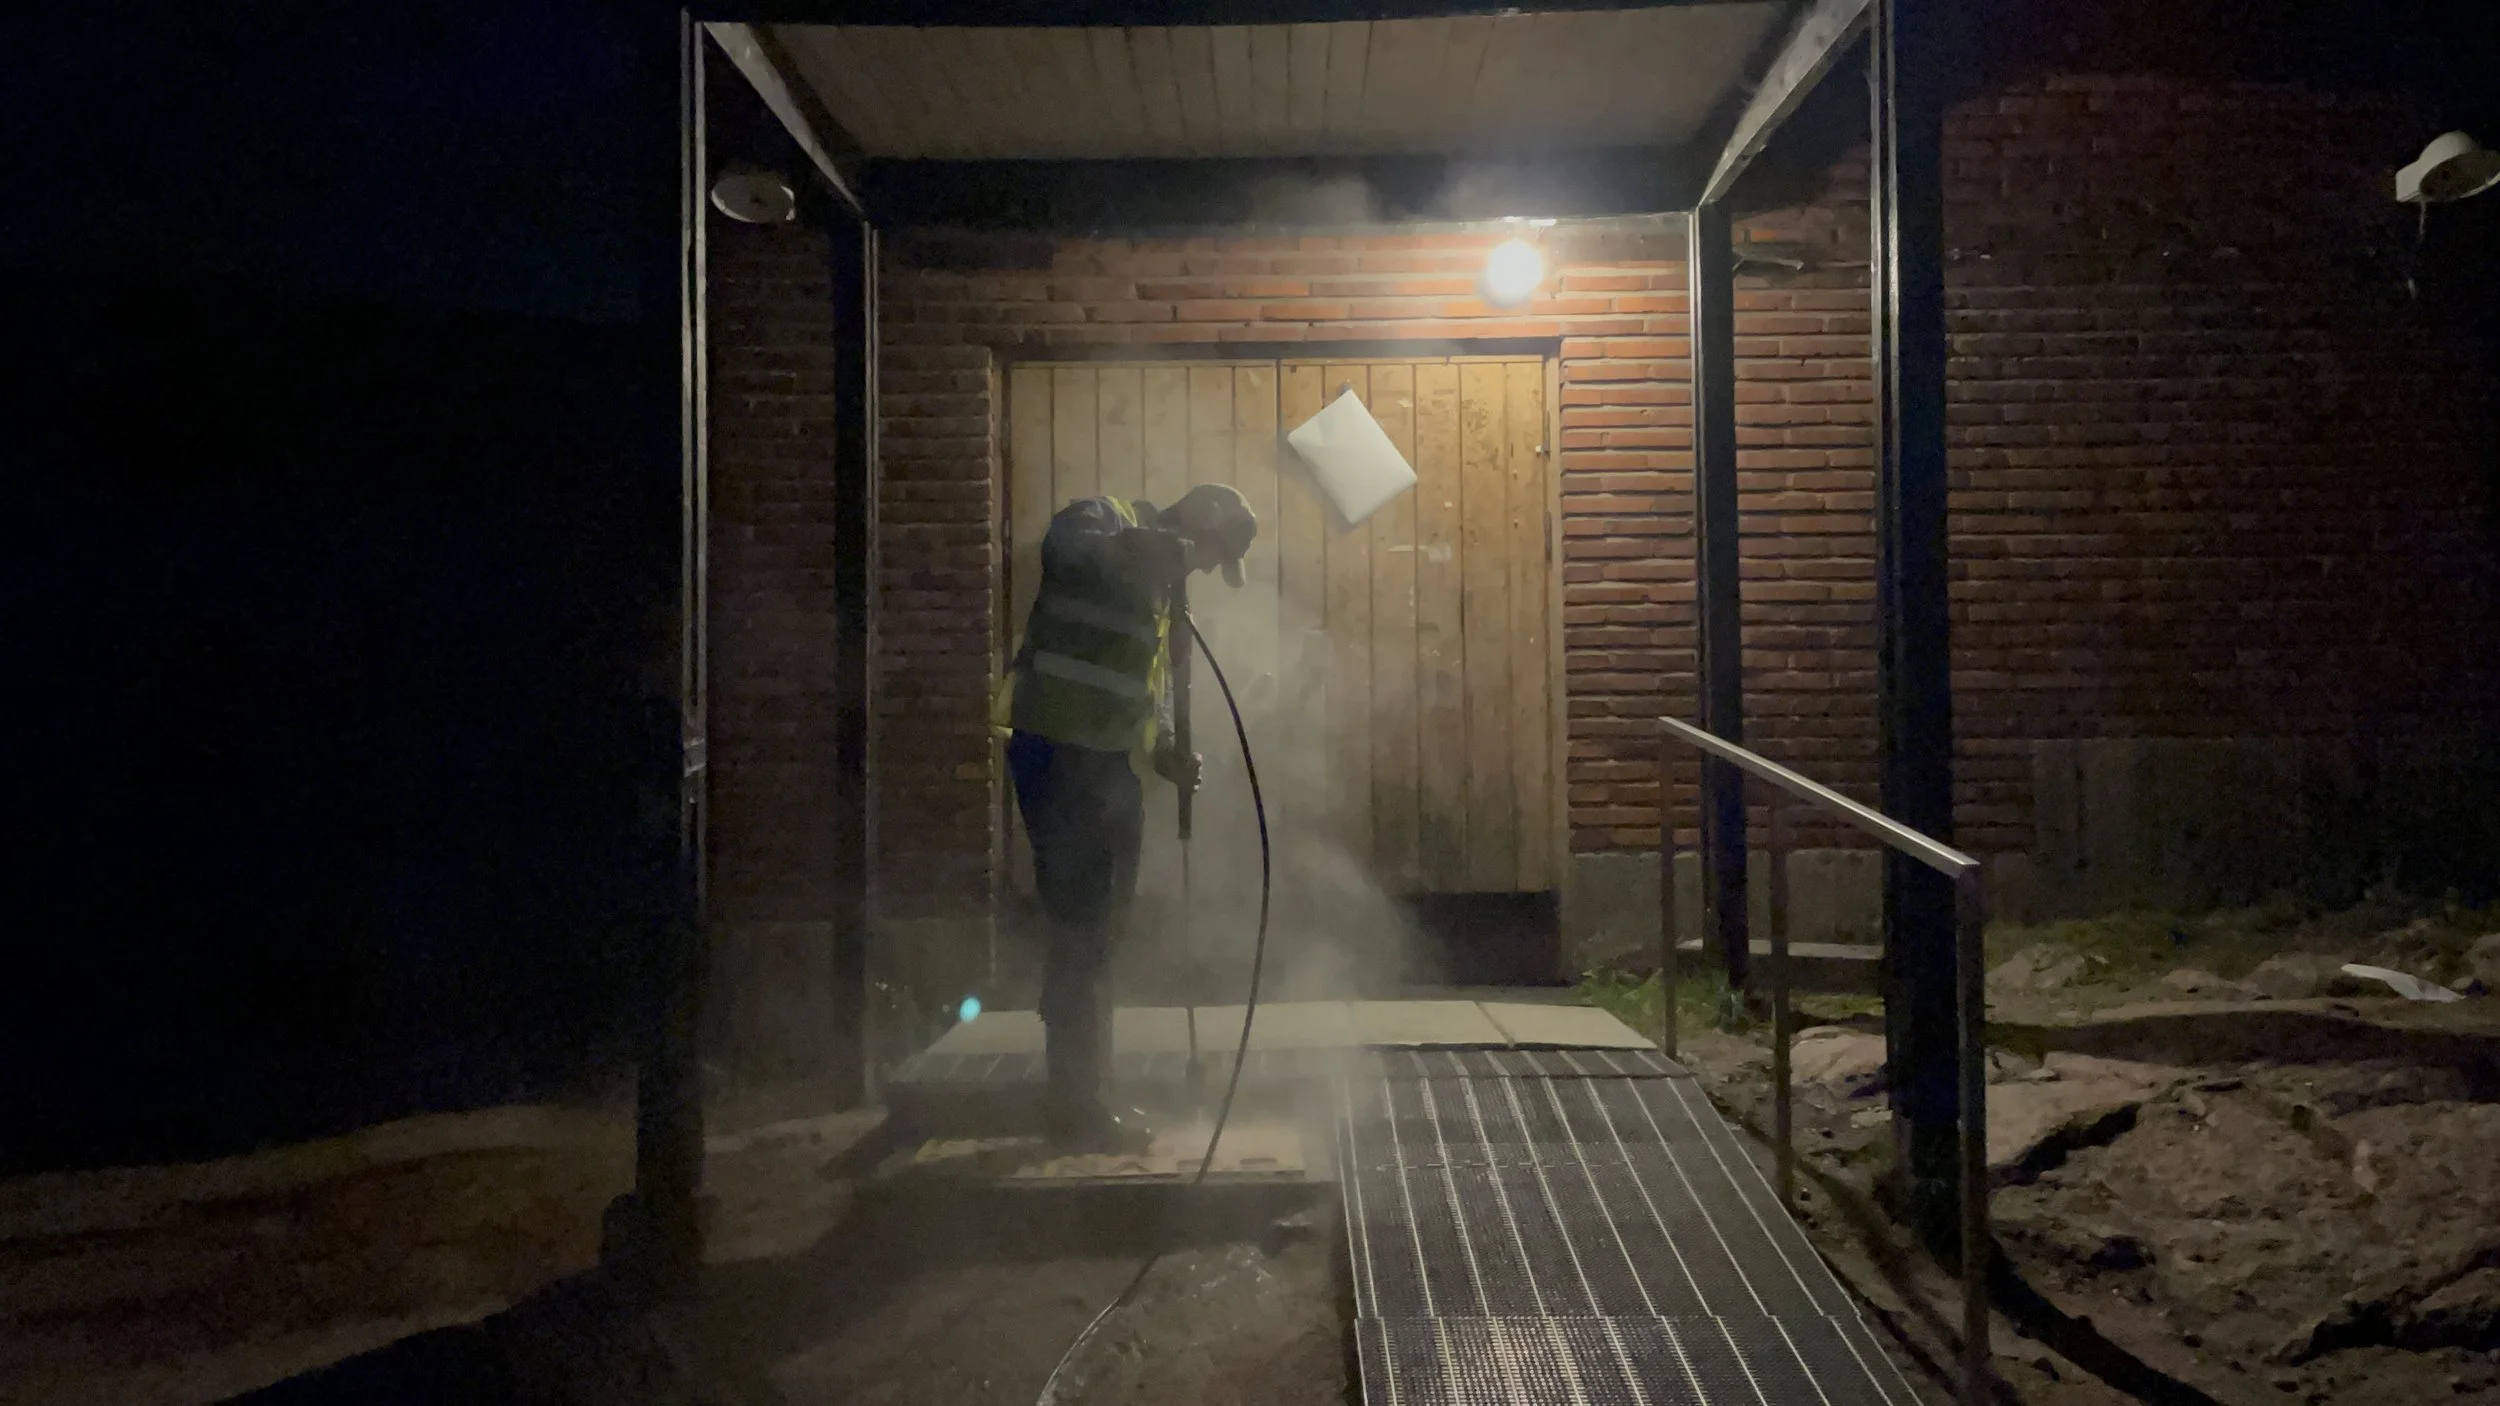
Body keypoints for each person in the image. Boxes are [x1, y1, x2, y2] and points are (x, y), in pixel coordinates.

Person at [993, 482, 1258, 1151]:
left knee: (1106, 926)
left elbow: (1149, 692)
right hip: (1055, 750)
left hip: (1106, 763)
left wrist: (1168, 751)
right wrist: (1144, 550)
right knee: (1082, 925)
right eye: (1209, 553)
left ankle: (1088, 1091)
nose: (1201, 568)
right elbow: (1063, 550)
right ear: (1196, 525)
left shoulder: (1167, 596)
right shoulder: (1104, 518)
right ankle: (1075, 1105)